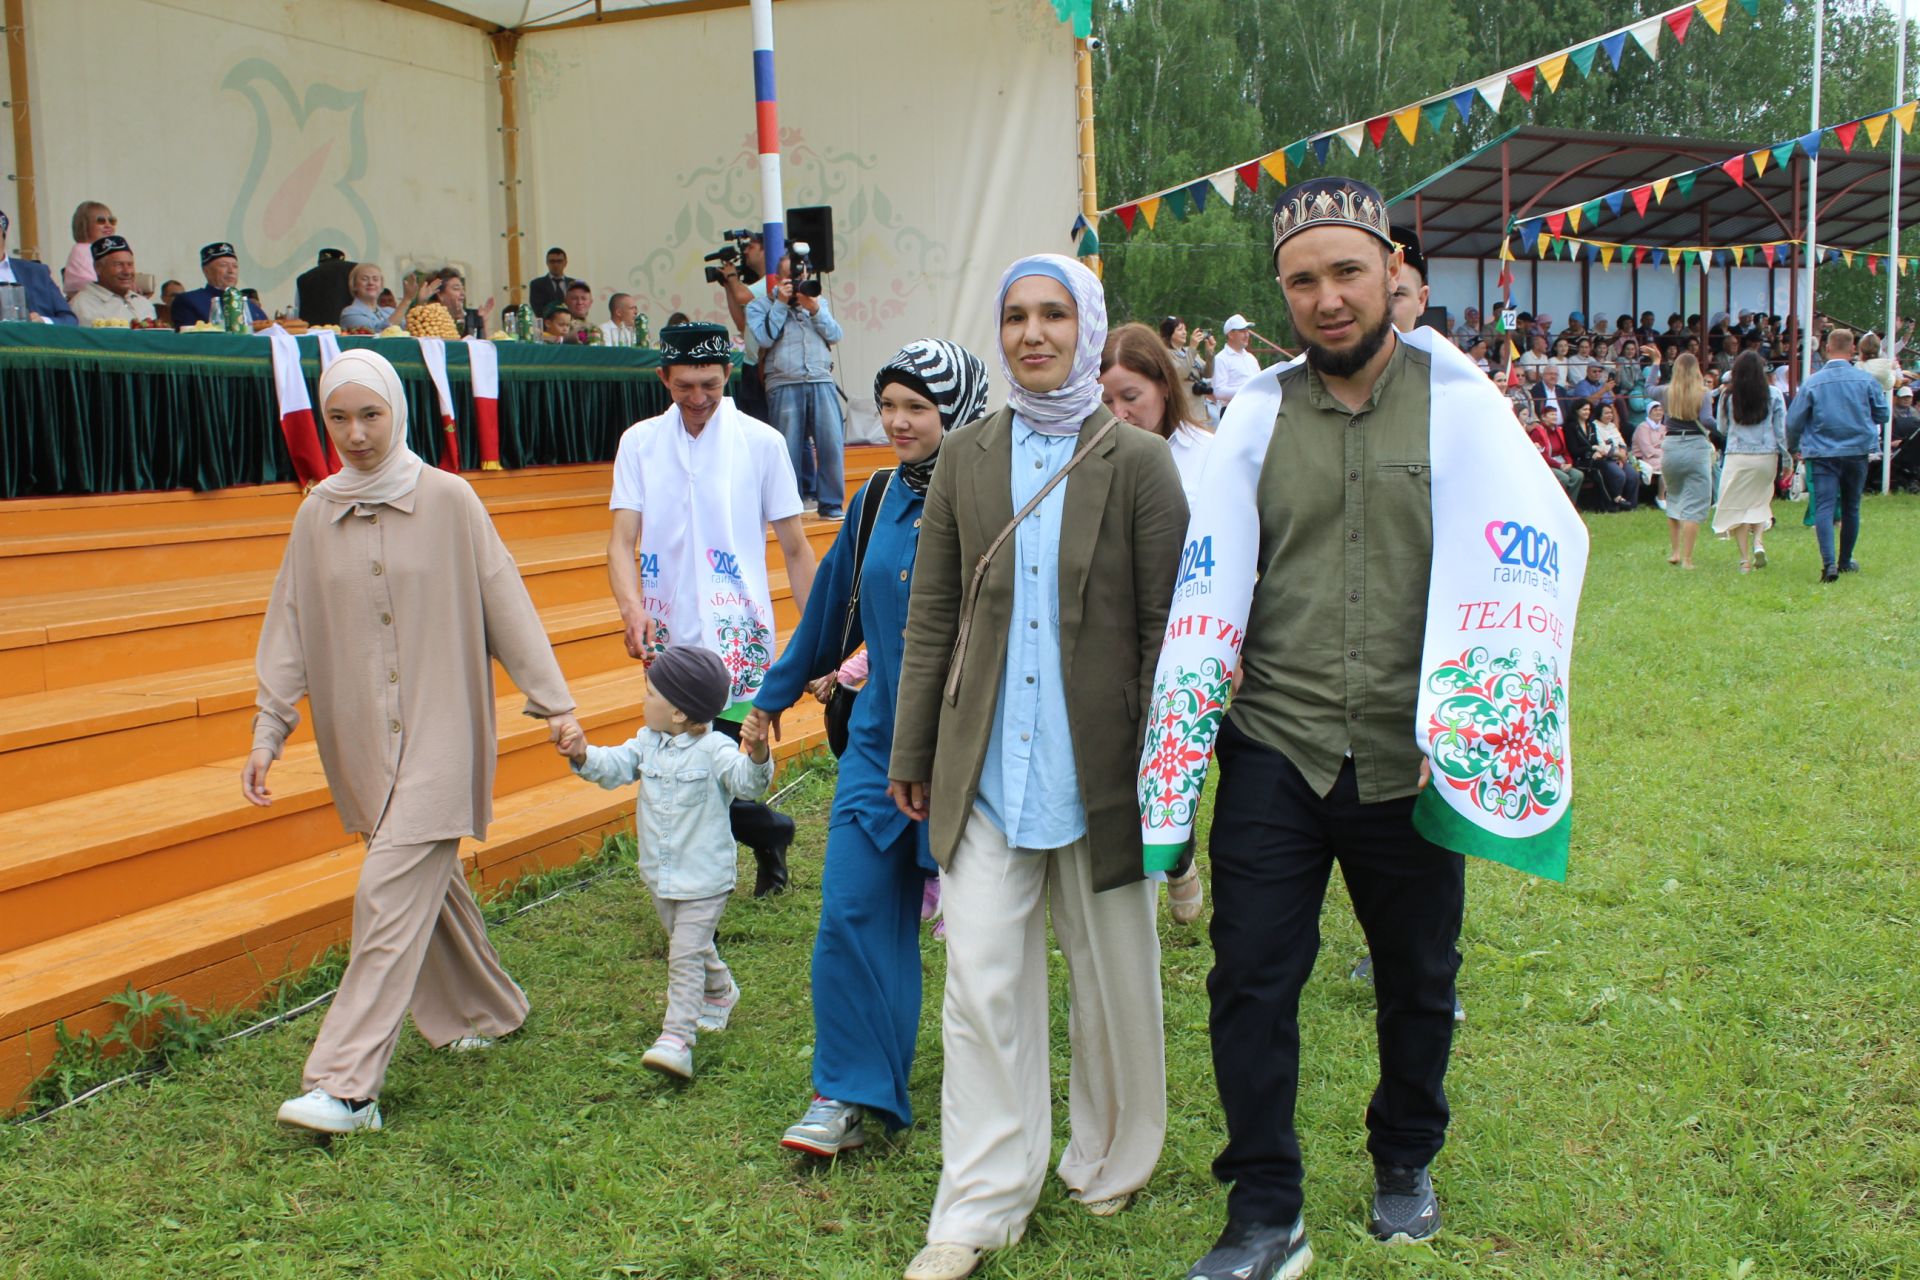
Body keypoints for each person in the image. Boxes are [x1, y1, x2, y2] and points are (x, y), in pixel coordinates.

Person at [1186, 177, 1470, 1280]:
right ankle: (1264, 1206)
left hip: (1412, 752)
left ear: (1392, 269)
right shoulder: (1254, 414)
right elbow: (1212, 563)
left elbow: (1516, 551)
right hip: (1277, 743)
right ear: (1283, 295)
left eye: (1347, 271)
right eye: (1303, 280)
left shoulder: (1461, 403)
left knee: (1418, 973)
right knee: (1250, 975)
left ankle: (1405, 1155)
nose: (1329, 298)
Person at [888, 254, 1186, 1280]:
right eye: (1015, 314)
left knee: (1112, 979)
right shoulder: (968, 457)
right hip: (983, 768)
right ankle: (979, 1201)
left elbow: (1164, 629)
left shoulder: (1139, 461)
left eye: (1055, 313)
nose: (1033, 333)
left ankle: (1111, 1152)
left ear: (1089, 327)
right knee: (978, 982)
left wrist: (1164, 769)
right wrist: (914, 746)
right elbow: (933, 613)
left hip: (1101, 766)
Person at [244, 349, 580, 1135]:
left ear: (400, 411)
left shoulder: (450, 499)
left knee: (387, 896)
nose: (356, 434)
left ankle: (345, 1085)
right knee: (424, 888)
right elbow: (289, 626)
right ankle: (487, 1008)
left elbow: (505, 599)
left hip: (443, 733)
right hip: (359, 739)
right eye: (339, 418)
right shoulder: (315, 512)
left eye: (371, 415)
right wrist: (270, 729)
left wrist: (554, 702)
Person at [745, 338, 990, 1158]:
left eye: (917, 407)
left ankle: (993, 1092)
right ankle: (847, 1092)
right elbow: (823, 616)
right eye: (888, 406)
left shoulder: (998, 496)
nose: (897, 422)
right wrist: (771, 697)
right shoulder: (878, 495)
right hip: (877, 749)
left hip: (970, 755)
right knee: (851, 912)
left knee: (989, 939)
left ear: (956, 410)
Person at [607, 322, 817, 897]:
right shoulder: (640, 444)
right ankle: (747, 855)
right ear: (663, 379)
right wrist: (630, 608)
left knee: (729, 769)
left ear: (730, 375)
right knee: (682, 771)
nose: (697, 399)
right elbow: (621, 539)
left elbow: (796, 549)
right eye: (683, 387)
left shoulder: (762, 443)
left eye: (709, 385)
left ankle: (761, 838)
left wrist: (822, 637)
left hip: (739, 636)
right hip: (668, 637)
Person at [559, 644, 773, 1080]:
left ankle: (676, 1039)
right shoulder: (646, 743)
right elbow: (613, 766)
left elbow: (747, 785)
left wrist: (757, 755)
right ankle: (720, 991)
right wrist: (582, 753)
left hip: (705, 877)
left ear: (678, 712)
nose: (644, 700)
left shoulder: (714, 749)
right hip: (661, 873)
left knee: (684, 954)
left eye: (651, 693)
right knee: (689, 945)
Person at [1098, 321, 1214, 927]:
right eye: (1106, 400)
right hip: (1121, 638)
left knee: (1179, 757)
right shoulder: (1091, 461)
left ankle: (1178, 857)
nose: (1118, 412)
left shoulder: (1207, 457)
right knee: (1132, 758)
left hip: (1192, 637)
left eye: (1131, 397)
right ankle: (1167, 861)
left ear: (1164, 389)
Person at [749, 252, 848, 519]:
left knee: (831, 443)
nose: (800, 281)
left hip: (820, 378)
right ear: (778, 278)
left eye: (803, 276)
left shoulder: (817, 302)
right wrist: (781, 304)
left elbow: (835, 335)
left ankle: (830, 504)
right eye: (794, 277)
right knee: (787, 448)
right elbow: (764, 338)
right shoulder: (759, 306)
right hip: (783, 381)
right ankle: (787, 507)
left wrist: (814, 309)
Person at [1787, 327, 1886, 582]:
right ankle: (1845, 560)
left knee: (1824, 506)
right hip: (1856, 450)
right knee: (1851, 506)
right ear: (1853, 348)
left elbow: (1794, 421)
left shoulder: (1812, 382)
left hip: (1822, 451)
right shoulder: (1865, 380)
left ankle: (1828, 564)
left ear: (1827, 348)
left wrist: (1793, 446)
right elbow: (1883, 414)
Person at [1713, 351, 1788, 573]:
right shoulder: (1774, 394)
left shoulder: (1728, 396)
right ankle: (1759, 543)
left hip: (1737, 455)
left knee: (1738, 505)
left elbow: (1722, 428)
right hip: (1766, 456)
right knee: (1759, 501)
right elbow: (1781, 431)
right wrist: (1787, 459)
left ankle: (1744, 559)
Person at [1655, 353, 1716, 569]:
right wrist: (1721, 429)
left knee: (1674, 497)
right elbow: (1707, 420)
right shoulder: (1703, 394)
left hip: (1671, 446)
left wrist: (1655, 363)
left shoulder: (1666, 392)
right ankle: (1688, 559)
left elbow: (1647, 388)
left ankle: (1675, 551)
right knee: (1696, 502)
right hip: (1696, 447)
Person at [718, 233, 770, 420]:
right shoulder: (756, 286)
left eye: (752, 246)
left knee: (763, 421)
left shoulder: (771, 281)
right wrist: (727, 286)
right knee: (751, 419)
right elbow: (742, 324)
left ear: (765, 251)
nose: (745, 251)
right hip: (750, 363)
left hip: (764, 366)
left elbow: (742, 295)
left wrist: (732, 276)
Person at [0, 209, 77, 324]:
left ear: (2, 232)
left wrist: (43, 322)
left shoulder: (36, 273)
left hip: (34, 339)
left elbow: (69, 320)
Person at [172, 243, 265, 328]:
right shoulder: (190, 301)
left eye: (235, 266)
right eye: (223, 265)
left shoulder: (250, 305)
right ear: (206, 271)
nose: (231, 271)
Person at [70, 235, 157, 325]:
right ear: (98, 268)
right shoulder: (82, 305)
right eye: (119, 265)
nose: (127, 272)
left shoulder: (144, 304)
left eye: (130, 265)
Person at [411, 267, 492, 338]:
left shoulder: (472, 317)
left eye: (463, 289)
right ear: (440, 295)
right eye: (456, 288)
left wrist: (485, 321)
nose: (462, 293)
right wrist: (421, 302)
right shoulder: (430, 319)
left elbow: (486, 348)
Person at [1209, 314, 1263, 416]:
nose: (1247, 335)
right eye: (1242, 331)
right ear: (1230, 334)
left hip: (1254, 409)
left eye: (1247, 331)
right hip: (1233, 411)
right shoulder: (1221, 359)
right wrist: (1247, 390)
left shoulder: (1251, 358)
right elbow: (1218, 391)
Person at [62, 200, 117, 298]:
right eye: (101, 221)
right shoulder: (81, 250)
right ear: (84, 225)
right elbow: (91, 285)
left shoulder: (112, 251)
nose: (108, 225)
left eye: (112, 221)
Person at [1529, 404, 1582, 502]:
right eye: (1552, 415)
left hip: (1561, 462)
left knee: (1578, 475)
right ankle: (1558, 503)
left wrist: (1569, 462)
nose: (1555, 417)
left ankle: (1571, 503)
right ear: (1543, 417)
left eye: (1556, 415)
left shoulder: (1558, 430)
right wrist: (1559, 465)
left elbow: (1565, 450)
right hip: (1547, 464)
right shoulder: (1538, 432)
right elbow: (1542, 455)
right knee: (1564, 478)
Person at [295, 248, 356, 327]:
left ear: (320, 262)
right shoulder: (357, 272)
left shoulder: (304, 278)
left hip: (316, 332)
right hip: (352, 330)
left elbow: (298, 305)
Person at [1161, 314, 1216, 397]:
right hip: (1183, 406)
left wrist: (1210, 352)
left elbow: (1208, 373)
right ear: (1169, 333)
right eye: (1180, 330)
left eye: (1185, 329)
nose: (1184, 332)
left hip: (1199, 407)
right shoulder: (1165, 354)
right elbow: (1182, 374)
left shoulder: (1188, 351)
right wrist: (1192, 348)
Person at [341, 263, 407, 331]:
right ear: (354, 285)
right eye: (365, 279)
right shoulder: (350, 313)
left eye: (375, 279)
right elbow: (380, 332)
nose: (371, 283)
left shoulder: (390, 311)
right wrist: (406, 300)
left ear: (381, 286)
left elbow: (412, 330)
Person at [1633, 401, 1668, 509]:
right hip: (1644, 458)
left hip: (1661, 455)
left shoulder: (1663, 428)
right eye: (1655, 410)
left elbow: (1667, 444)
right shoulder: (1642, 427)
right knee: (1666, 465)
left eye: (1660, 410)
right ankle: (1661, 497)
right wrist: (1663, 453)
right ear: (1649, 412)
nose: (1658, 412)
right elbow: (1646, 449)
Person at [528, 246, 578, 316]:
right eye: (552, 261)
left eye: (559, 261)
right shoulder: (537, 284)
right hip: (548, 324)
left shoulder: (574, 284)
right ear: (547, 263)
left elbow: (578, 306)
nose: (556, 265)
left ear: (565, 263)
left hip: (572, 323)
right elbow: (538, 310)